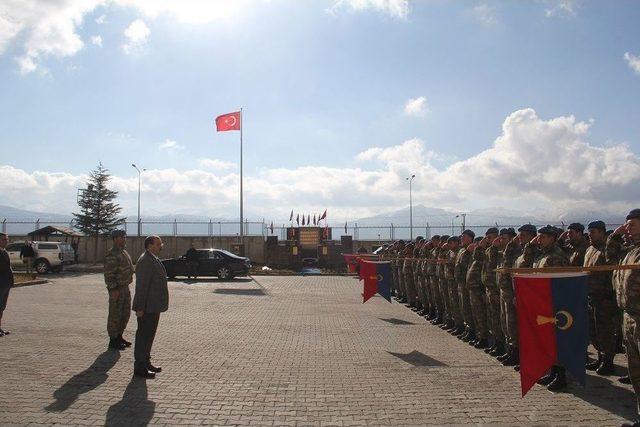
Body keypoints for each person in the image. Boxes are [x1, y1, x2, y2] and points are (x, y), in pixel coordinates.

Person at [608, 209, 640, 427]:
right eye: (627, 225)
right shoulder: (630, 251)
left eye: (632, 225)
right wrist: (615, 236)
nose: (627, 228)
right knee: (635, 369)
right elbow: (610, 257)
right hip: (628, 315)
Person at [583, 220, 618, 375]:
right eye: (589, 232)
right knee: (594, 330)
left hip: (604, 296)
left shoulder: (608, 249)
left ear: (602, 232)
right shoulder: (590, 249)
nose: (589, 235)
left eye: (593, 232)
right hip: (591, 295)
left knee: (605, 330)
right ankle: (599, 356)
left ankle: (608, 360)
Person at [133, 235, 169, 379]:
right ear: (150, 245)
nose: (161, 246)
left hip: (153, 306)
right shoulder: (145, 261)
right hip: (146, 307)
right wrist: (140, 307)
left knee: (149, 336)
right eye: (159, 244)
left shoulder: (152, 258)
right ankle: (140, 367)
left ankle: (146, 361)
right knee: (143, 336)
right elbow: (142, 287)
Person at [104, 229, 134, 350]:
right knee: (115, 315)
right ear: (115, 239)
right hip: (117, 289)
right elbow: (109, 274)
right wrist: (113, 289)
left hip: (125, 288)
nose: (124, 239)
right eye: (122, 237)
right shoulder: (112, 254)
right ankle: (113, 340)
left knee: (124, 314)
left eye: (124, 237)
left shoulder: (123, 252)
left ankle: (119, 336)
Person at [0, 232, 14, 337]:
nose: (6, 241)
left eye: (7, 239)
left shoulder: (4, 252)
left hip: (6, 284)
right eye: (3, 239)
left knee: (2, 307)